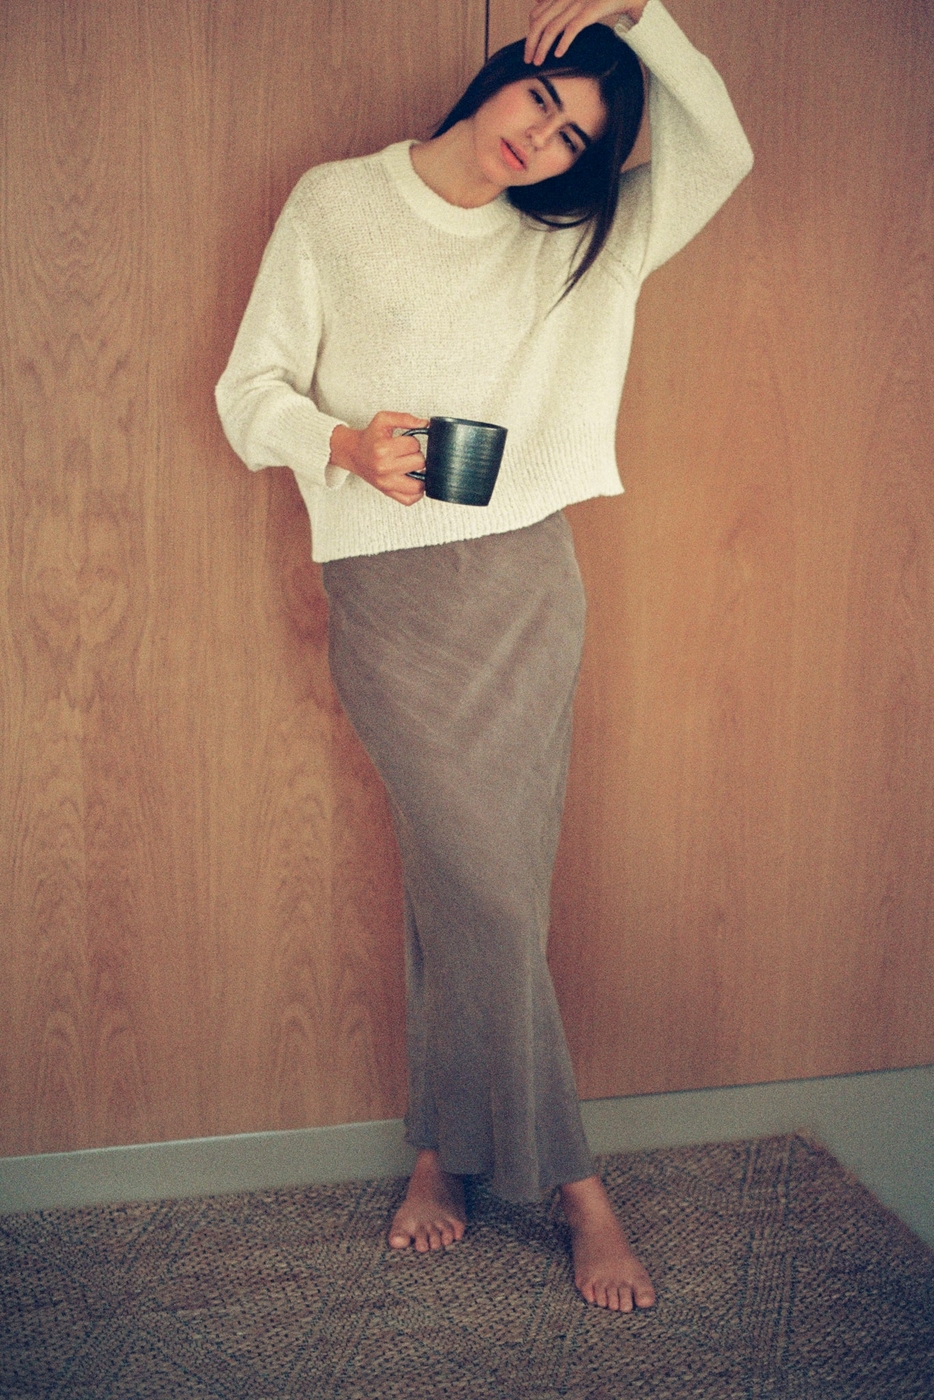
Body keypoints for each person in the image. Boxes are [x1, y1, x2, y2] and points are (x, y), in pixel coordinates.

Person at [216, 0, 753, 1313]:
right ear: (503, 74)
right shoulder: (337, 203)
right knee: (488, 894)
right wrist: (343, 446)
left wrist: (640, 14)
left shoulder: (585, 237)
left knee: (473, 891)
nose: (543, 141)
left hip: (524, 585)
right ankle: (574, 1185)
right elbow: (247, 392)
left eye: (575, 137)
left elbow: (721, 153)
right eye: (541, 100)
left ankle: (437, 1154)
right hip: (387, 592)